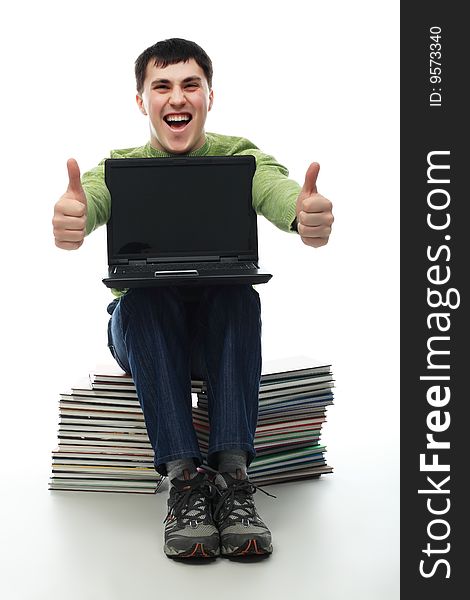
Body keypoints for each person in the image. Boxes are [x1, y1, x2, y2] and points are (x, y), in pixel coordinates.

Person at [52, 38, 334, 559]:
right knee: (143, 298)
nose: (176, 97)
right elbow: (87, 200)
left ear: (208, 96)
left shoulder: (240, 157)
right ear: (143, 100)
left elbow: (279, 193)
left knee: (238, 296)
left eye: (190, 85)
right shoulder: (118, 166)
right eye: (162, 86)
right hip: (142, 331)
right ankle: (185, 483)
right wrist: (74, 218)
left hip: (215, 334)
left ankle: (231, 479)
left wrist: (303, 215)